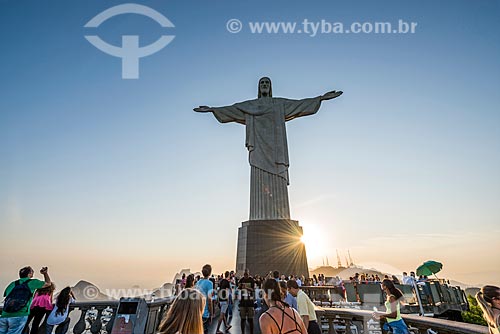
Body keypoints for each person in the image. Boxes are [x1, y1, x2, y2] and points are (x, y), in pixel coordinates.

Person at [194, 77, 343, 221]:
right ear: (258, 87)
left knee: (278, 182)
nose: (264, 84)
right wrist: (212, 109)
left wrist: (320, 99)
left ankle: (280, 218)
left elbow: (299, 104)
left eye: (267, 82)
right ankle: (259, 216)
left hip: (277, 151)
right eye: (262, 83)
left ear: (270, 86)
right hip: (258, 149)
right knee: (258, 182)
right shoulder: (250, 106)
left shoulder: (279, 104)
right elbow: (233, 109)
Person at [0, 266, 52, 334]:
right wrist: (45, 273)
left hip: (5, 314)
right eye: (32, 271)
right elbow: (48, 283)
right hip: (19, 314)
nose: (33, 273)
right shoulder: (32, 282)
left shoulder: (13, 284)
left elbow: (6, 295)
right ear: (29, 274)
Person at [195, 264, 214, 334]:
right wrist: (211, 314)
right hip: (204, 314)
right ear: (210, 273)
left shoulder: (198, 282)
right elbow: (209, 300)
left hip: (197, 312)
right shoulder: (210, 283)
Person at [238, 269, 256, 334]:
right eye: (245, 274)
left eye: (247, 275)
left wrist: (246, 288)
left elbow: (253, 289)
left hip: (250, 301)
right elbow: (238, 288)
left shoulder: (251, 280)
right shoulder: (241, 280)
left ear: (248, 274)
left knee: (250, 319)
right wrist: (240, 286)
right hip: (243, 301)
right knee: (243, 319)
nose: (245, 276)